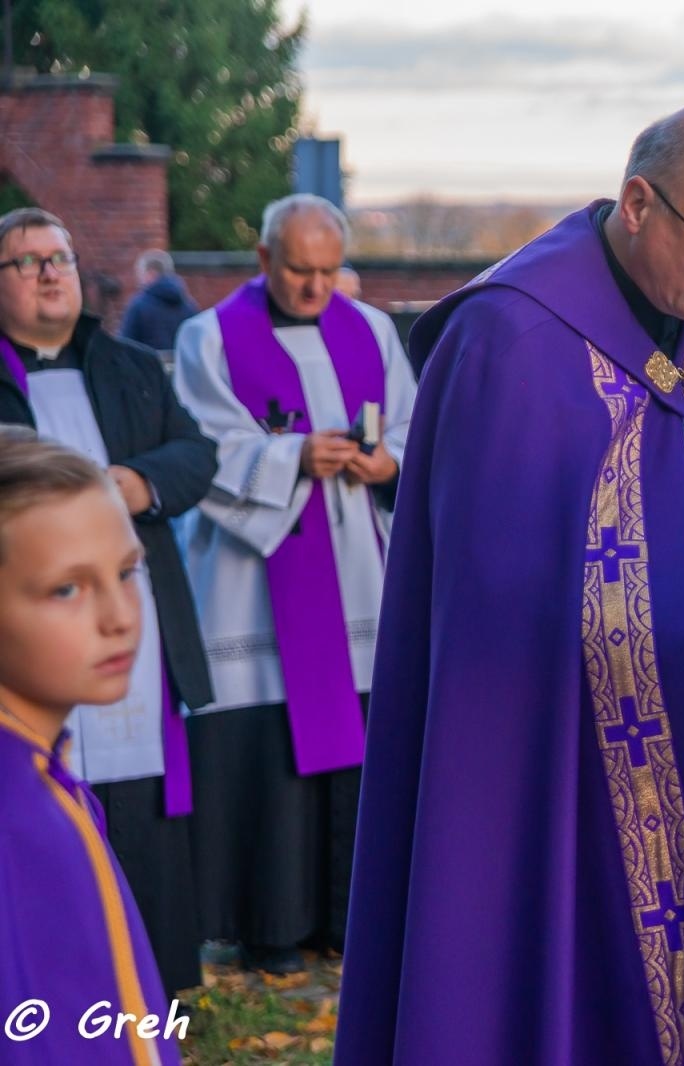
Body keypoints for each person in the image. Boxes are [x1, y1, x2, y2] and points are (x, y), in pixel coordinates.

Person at [336, 101, 684, 1066]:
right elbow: (481, 628)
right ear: (639, 202)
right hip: (580, 803)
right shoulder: (510, 341)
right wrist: (681, 637)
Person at [172, 193, 416, 976]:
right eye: (299, 271)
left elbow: (411, 428)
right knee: (267, 761)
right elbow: (199, 447)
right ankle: (265, 929)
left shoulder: (372, 330)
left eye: (327, 271)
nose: (316, 288)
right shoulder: (207, 338)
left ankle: (346, 921)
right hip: (254, 579)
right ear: (264, 260)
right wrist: (290, 460)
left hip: (355, 576)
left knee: (357, 750)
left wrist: (387, 465)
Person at [0, 208, 217, 999]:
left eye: (59, 256)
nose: (50, 273)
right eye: (26, 263)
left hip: (139, 608)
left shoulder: (127, 363)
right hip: (27, 631)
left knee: (141, 807)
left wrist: (139, 483)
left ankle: (151, 982)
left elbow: (198, 452)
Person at [0, 427, 182, 1065]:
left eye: (128, 571)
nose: (121, 616)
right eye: (66, 589)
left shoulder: (41, 772)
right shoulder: (16, 817)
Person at [119, 249, 199, 354]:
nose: (139, 281)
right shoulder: (189, 306)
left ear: (151, 273)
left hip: (149, 368)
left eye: (141, 274)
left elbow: (125, 346)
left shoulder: (139, 305)